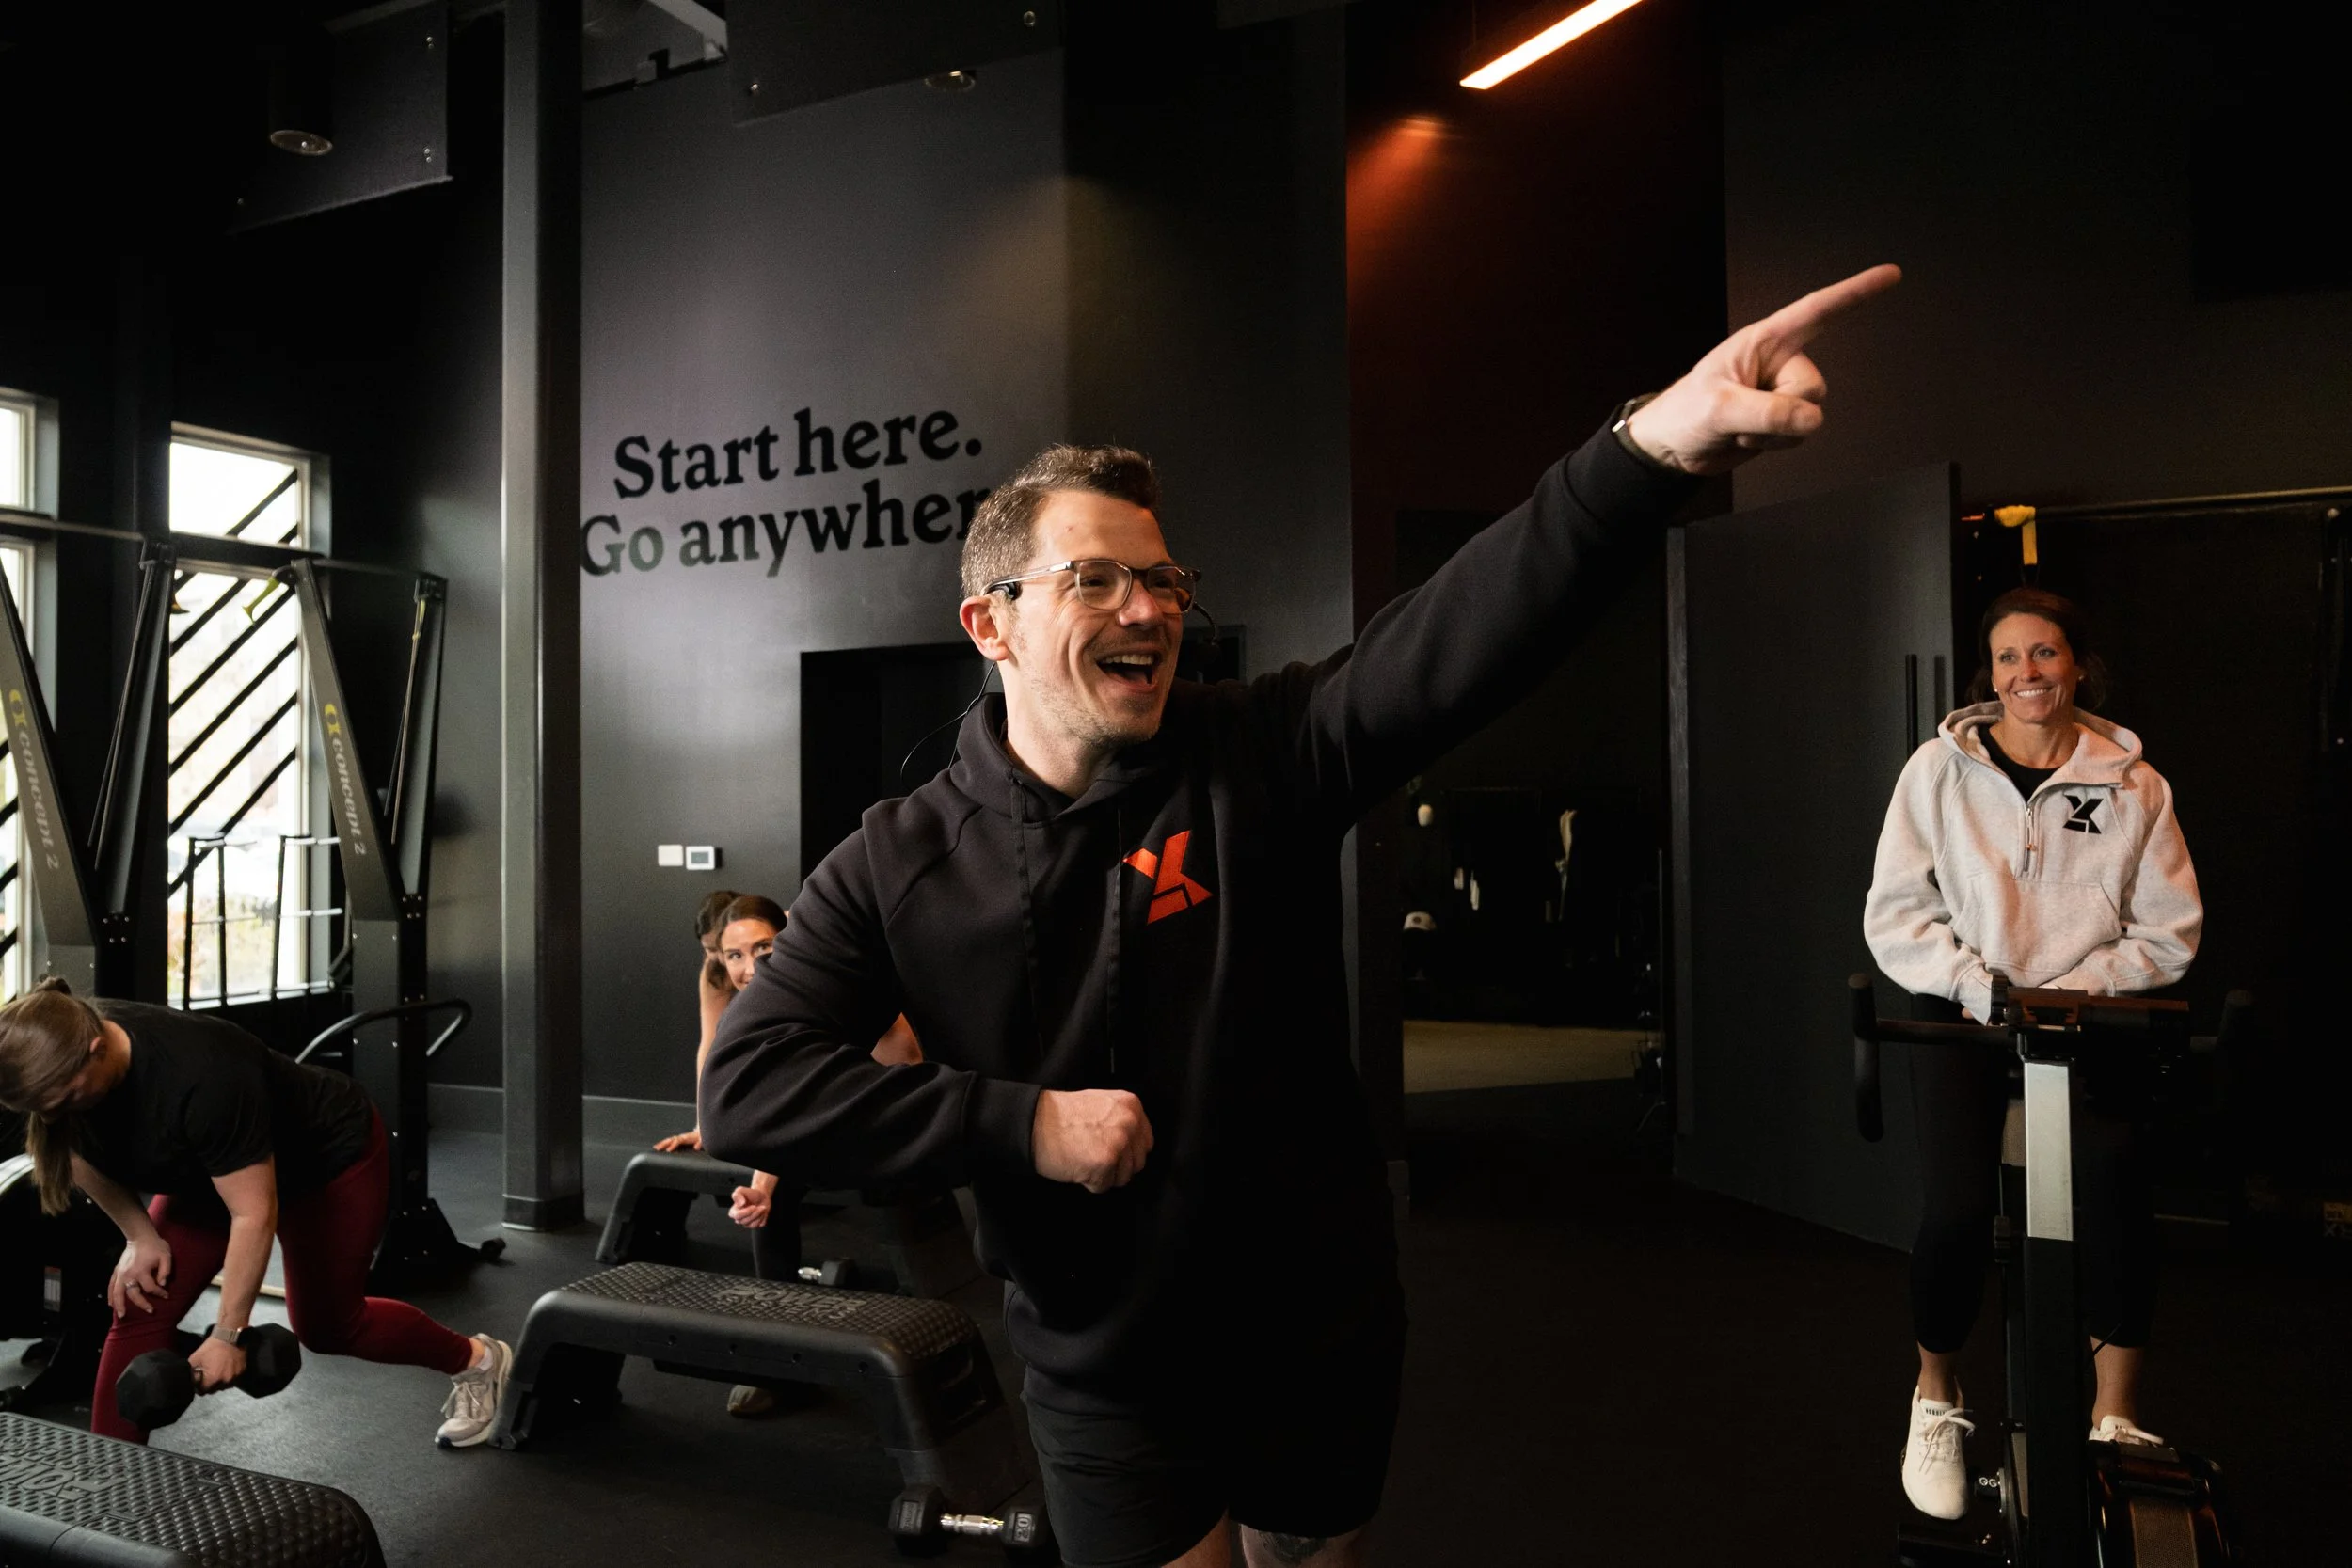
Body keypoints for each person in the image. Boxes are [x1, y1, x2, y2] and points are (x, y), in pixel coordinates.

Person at [702, 264, 1901, 1568]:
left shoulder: (1259, 748)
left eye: (1163, 579)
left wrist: (1649, 447)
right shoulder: (899, 857)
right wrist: (1022, 1125)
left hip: (1315, 1320)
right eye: (1096, 579)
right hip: (1104, 1354)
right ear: (992, 622)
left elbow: (1455, 637)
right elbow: (749, 1085)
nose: (1150, 609)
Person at [1864, 586, 2201, 1521]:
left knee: (2116, 1184)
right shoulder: (1938, 770)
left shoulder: (2134, 783)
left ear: (2077, 664)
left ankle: (2115, 1414)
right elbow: (1896, 913)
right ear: (1991, 671)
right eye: (2009, 657)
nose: (2027, 673)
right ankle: (1936, 1393)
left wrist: (2079, 988)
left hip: (2086, 1014)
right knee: (1957, 1209)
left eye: (2044, 653)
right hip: (1962, 1008)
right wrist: (1979, 986)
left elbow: (2169, 928)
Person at [0, 979, 514, 1449]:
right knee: (141, 1301)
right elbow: (73, 1149)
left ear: (97, 1050)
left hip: (324, 1162)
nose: (53, 1115)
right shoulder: (61, 1041)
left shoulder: (202, 1072)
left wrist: (228, 1334)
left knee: (330, 1327)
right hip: (211, 1170)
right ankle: (109, 1484)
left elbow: (253, 1214)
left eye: (64, 1099)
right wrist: (140, 1236)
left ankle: (478, 1361)